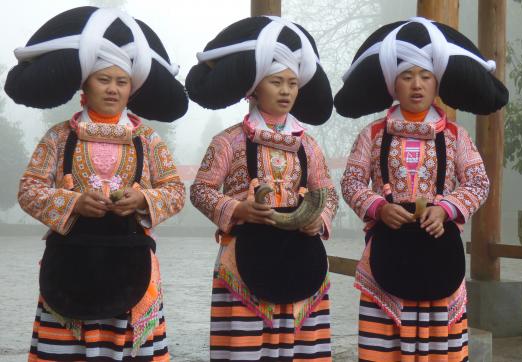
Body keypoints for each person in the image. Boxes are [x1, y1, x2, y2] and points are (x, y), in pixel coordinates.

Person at [5, 6, 188, 361]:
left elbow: (176, 192)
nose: (113, 89)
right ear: (85, 83)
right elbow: (28, 190)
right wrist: (74, 203)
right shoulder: (58, 138)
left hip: (134, 265)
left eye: (121, 82)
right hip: (70, 265)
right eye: (104, 79)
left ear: (131, 89)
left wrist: (141, 200)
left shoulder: (148, 140)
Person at [336, 17, 508, 361]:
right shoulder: (372, 135)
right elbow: (351, 182)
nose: (417, 85)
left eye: (425, 76)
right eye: (407, 76)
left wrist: (445, 209)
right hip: (385, 257)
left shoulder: (456, 136)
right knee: (383, 347)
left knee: (437, 348)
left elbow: (478, 182)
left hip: (439, 254)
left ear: (436, 83)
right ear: (392, 84)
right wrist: (378, 207)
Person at [186, 16, 338, 361]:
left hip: (302, 258)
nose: (286, 91)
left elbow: (328, 193)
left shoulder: (309, 146)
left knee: (302, 351)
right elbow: (201, 190)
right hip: (244, 262)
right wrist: (240, 209)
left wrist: (320, 219)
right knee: (244, 350)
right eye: (276, 82)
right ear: (253, 89)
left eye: (292, 83)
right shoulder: (229, 141)